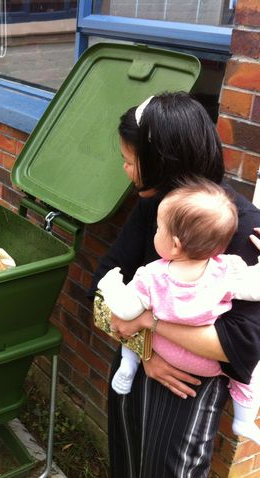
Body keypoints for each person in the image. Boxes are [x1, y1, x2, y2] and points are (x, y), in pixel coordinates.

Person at [91, 92, 260, 477]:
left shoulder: (239, 228)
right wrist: (145, 351)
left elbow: (239, 344)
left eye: (131, 161)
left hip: (187, 391)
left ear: (163, 162)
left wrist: (148, 323)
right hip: (137, 367)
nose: (126, 170)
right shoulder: (154, 205)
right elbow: (100, 288)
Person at [98, 179, 260, 444]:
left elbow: (125, 312)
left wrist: (111, 285)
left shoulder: (153, 274)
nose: (155, 232)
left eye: (159, 228)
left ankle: (128, 365)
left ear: (174, 245)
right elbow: (256, 288)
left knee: (131, 327)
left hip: (162, 350)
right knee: (253, 376)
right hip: (206, 367)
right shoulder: (227, 270)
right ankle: (244, 419)